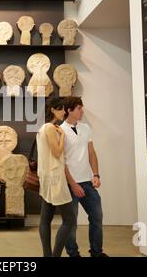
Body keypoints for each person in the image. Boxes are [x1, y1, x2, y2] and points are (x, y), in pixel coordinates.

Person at [60, 96, 108, 258]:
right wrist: (73, 184)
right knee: (71, 223)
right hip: (69, 184)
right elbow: (61, 162)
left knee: (97, 217)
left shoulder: (86, 128)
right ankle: (73, 254)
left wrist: (96, 175)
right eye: (79, 108)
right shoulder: (60, 131)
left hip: (87, 182)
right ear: (69, 110)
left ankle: (96, 252)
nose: (82, 111)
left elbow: (91, 153)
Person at [37, 97, 76, 257]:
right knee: (70, 220)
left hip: (47, 177)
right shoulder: (50, 128)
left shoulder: (44, 128)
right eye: (61, 109)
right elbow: (57, 152)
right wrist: (64, 138)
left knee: (45, 218)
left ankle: (47, 255)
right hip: (55, 178)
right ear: (53, 109)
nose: (64, 112)